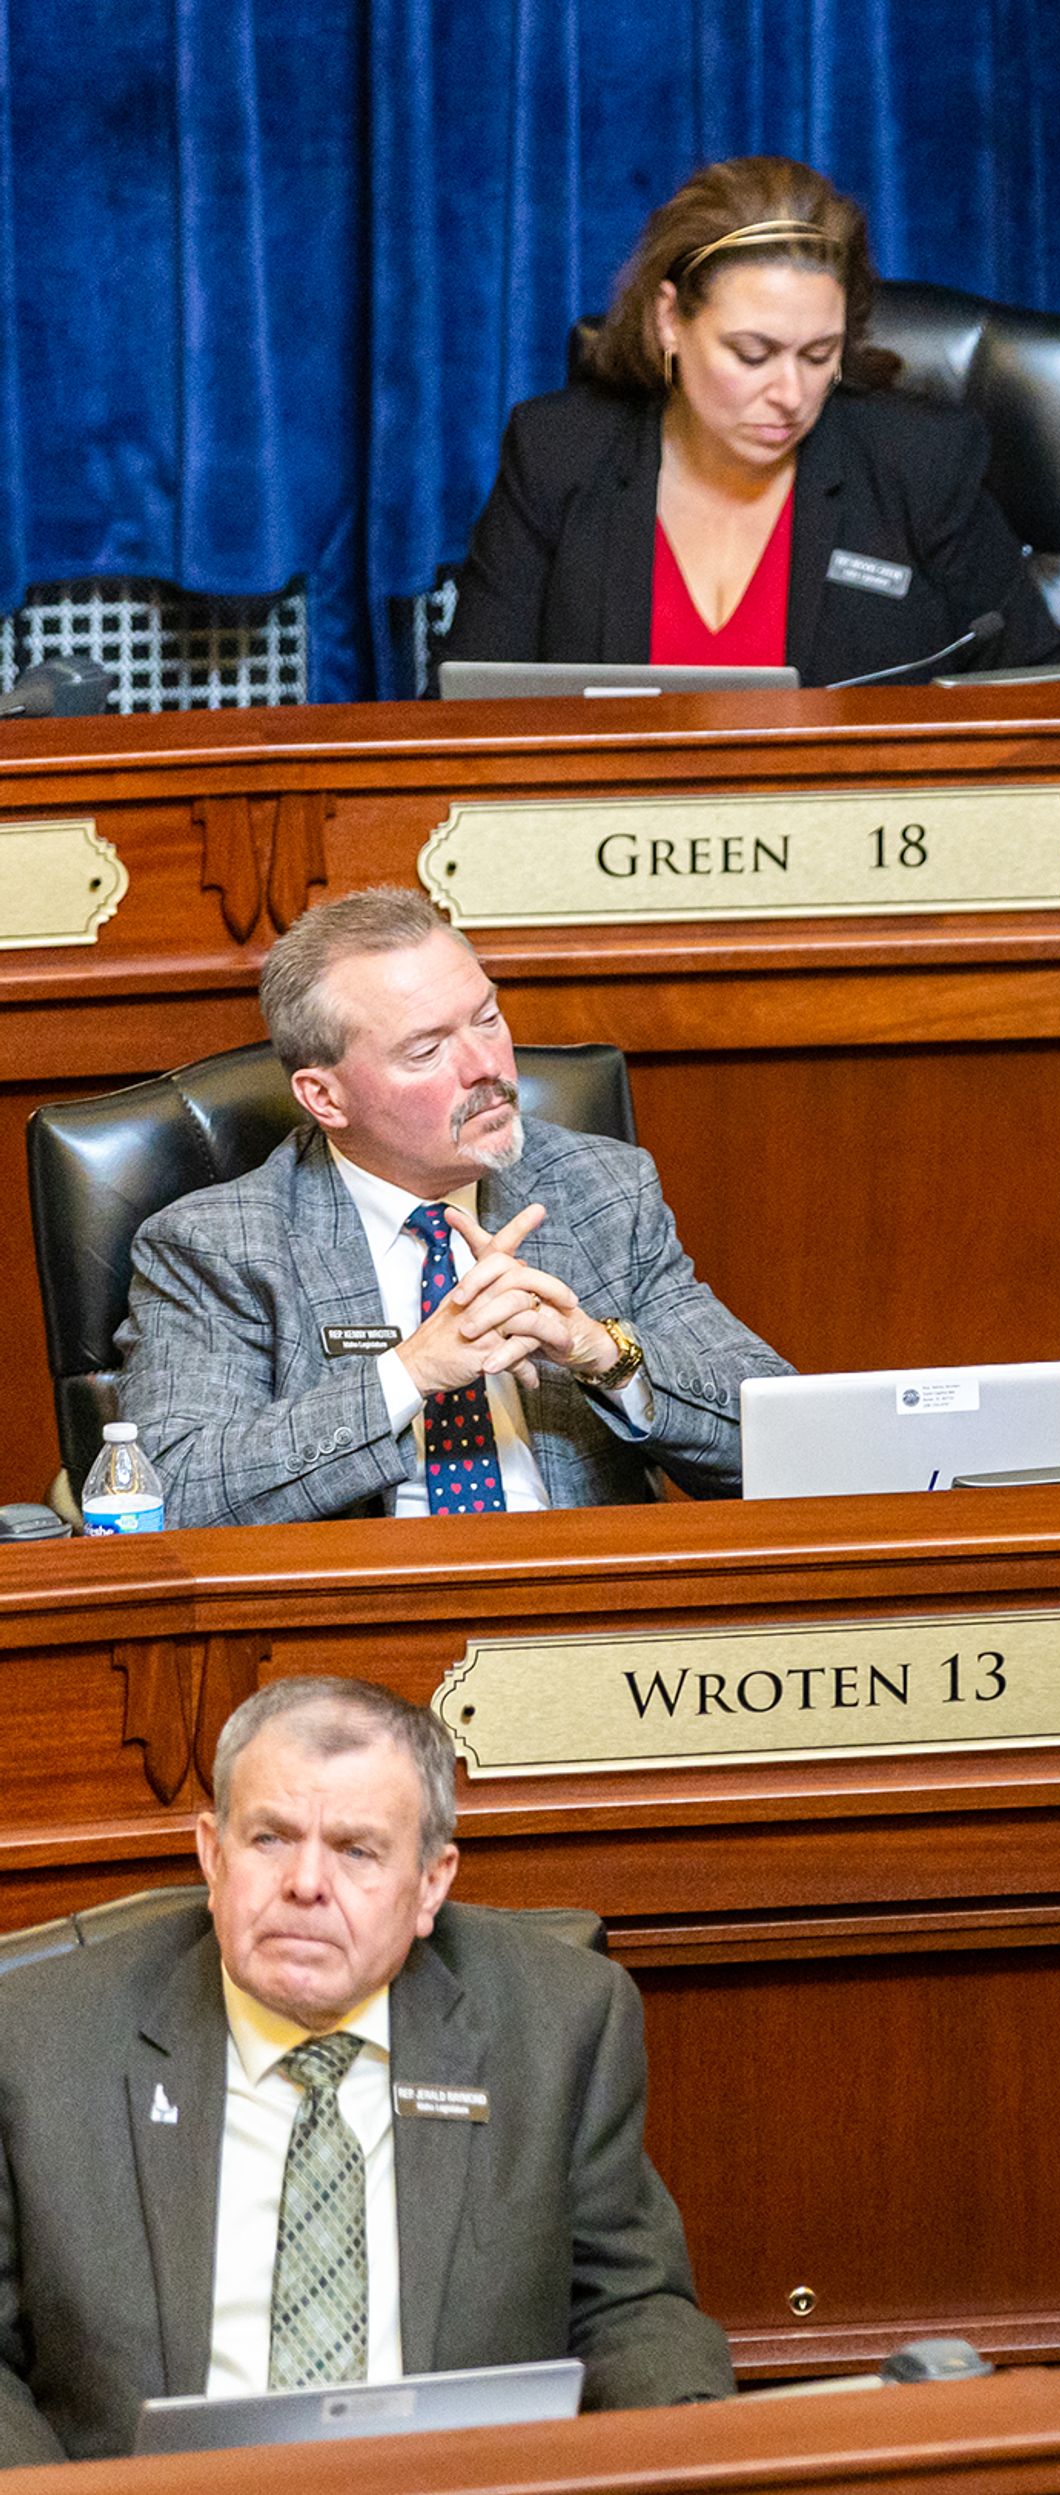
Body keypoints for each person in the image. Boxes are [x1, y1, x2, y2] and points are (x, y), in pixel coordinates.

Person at [0, 1679, 730, 2462]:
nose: (307, 1883)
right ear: (213, 1854)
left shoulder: (557, 2026)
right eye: (271, 1838)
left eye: (357, 1850)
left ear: (431, 1883)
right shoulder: (41, 2039)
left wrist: (709, 2453)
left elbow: (629, 2306)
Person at [114, 888, 789, 1527]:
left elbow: (790, 1440)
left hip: (582, 1604)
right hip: (360, 1618)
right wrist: (410, 1373)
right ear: (326, 1098)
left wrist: (604, 1352)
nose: (485, 1066)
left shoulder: (600, 1190)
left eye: (488, 1019)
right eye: (427, 1048)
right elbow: (166, 1496)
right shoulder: (219, 1245)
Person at [438, 155, 1060, 686]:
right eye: (752, 354)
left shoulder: (920, 463)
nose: (791, 393)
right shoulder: (557, 455)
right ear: (669, 322)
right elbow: (470, 711)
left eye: (819, 355)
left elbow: (1045, 690)